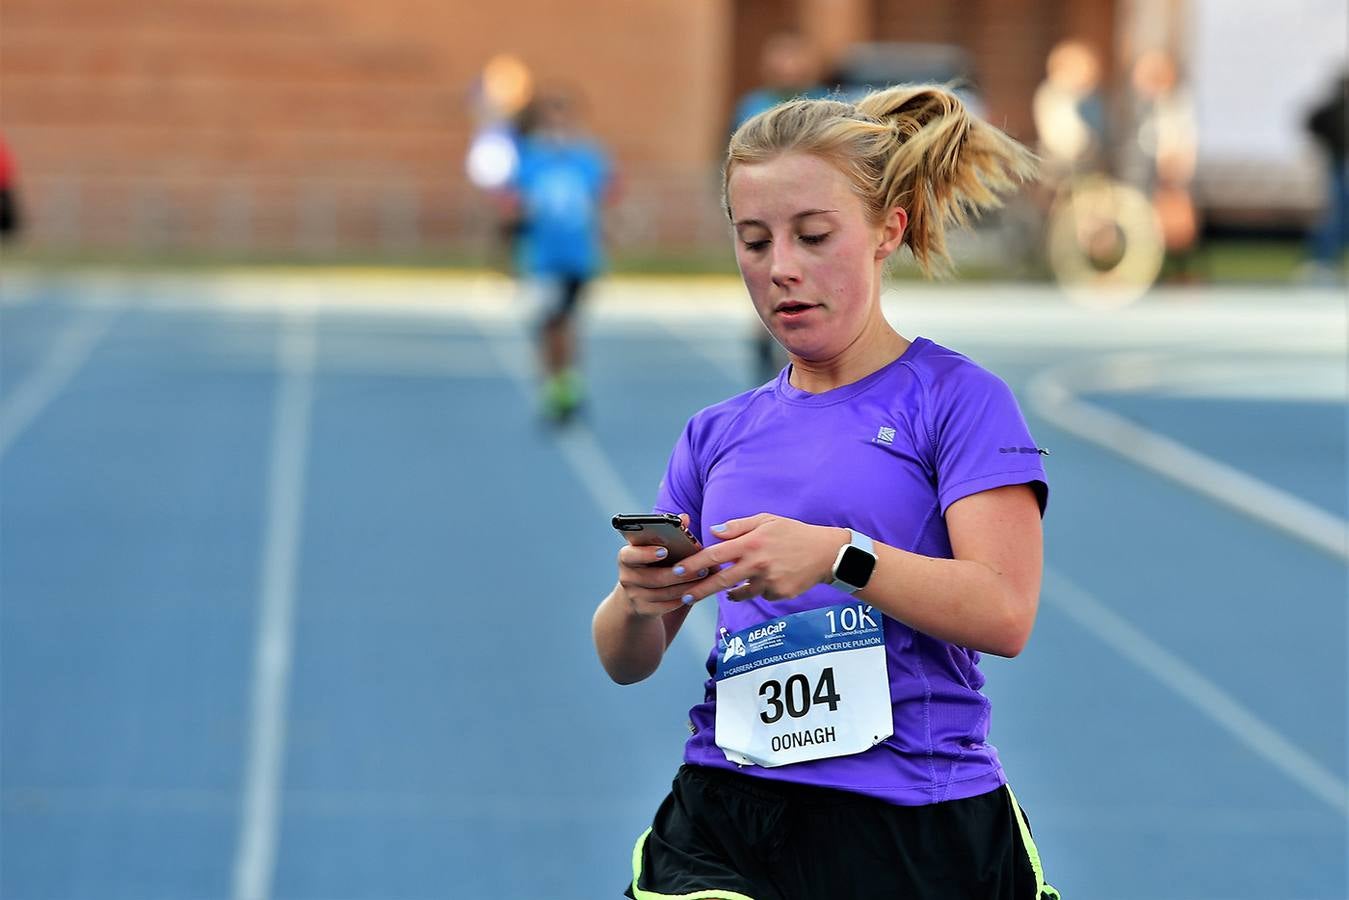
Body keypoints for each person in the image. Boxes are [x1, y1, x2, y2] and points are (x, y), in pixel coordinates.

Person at [593, 86, 1060, 899]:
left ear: (887, 232)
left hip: (912, 822)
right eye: (753, 241)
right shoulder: (717, 433)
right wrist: (636, 601)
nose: (781, 268)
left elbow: (1004, 613)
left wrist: (836, 556)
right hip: (730, 813)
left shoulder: (957, 401)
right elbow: (626, 661)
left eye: (813, 236)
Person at [503, 88, 617, 422]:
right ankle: (558, 383)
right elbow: (515, 205)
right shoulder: (530, 159)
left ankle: (566, 383)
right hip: (541, 256)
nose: (557, 126)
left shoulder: (587, 158)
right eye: (550, 118)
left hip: (577, 255)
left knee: (566, 322)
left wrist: (604, 240)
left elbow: (600, 201)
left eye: (563, 117)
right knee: (548, 323)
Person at [730, 31, 829, 385]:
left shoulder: (825, 105)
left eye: (793, 59)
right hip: (766, 214)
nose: (786, 67)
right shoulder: (752, 107)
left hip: (809, 212)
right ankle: (767, 354)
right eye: (779, 59)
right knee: (771, 283)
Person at [1303, 71, 1348, 282]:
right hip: (1339, 164)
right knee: (1337, 216)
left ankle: (1323, 261)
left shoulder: (1333, 108)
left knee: (1337, 215)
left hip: (1339, 164)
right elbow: (1312, 124)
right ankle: (1322, 262)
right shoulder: (1333, 109)